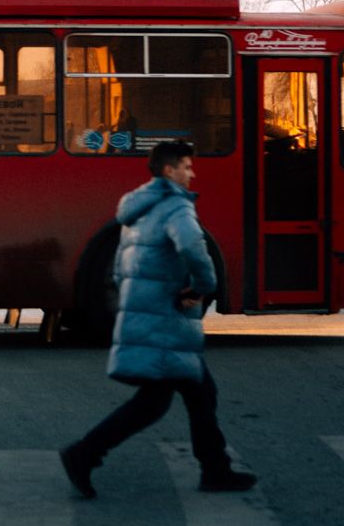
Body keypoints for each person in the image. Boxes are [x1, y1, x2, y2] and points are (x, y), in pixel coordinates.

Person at [60, 140, 257, 498]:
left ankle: (215, 468)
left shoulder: (138, 208)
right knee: (155, 402)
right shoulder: (176, 207)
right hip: (168, 317)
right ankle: (83, 454)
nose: (192, 173)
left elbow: (120, 269)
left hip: (150, 313)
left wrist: (138, 299)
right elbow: (195, 250)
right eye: (186, 166)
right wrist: (202, 287)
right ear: (170, 171)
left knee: (198, 392)